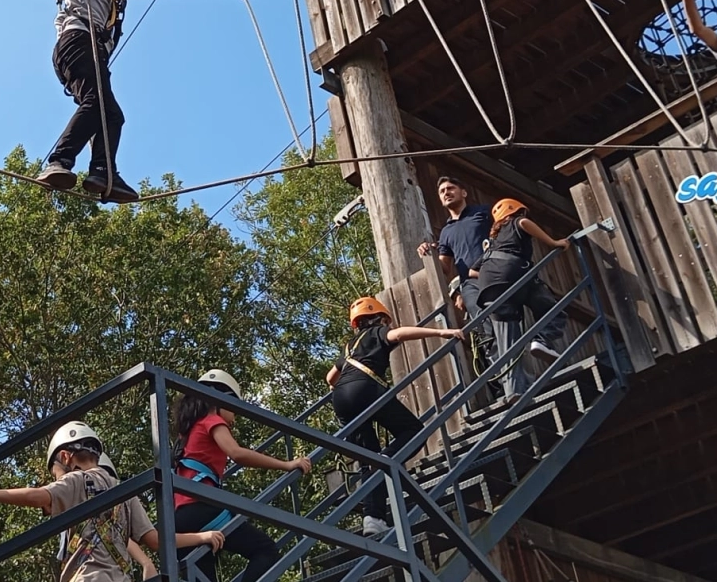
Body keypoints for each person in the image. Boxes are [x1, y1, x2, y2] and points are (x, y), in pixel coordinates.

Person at [0, 421, 224, 582]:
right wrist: (200, 537)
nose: (57, 480)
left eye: (54, 474)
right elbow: (156, 541)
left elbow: (39, 496)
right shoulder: (124, 491)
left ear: (66, 457)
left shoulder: (76, 481)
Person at [326, 297, 464, 539]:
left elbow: (330, 379)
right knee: (414, 430)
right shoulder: (379, 332)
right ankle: (387, 458)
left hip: (341, 398)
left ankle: (374, 518)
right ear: (379, 318)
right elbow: (398, 335)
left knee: (367, 460)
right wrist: (441, 331)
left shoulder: (349, 346)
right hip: (365, 388)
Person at [171, 368, 310, 582]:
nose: (234, 418)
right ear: (220, 399)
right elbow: (236, 453)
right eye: (233, 407)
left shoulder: (186, 434)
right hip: (204, 508)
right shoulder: (211, 420)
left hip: (181, 517)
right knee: (266, 551)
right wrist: (286, 464)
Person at [37, 0, 137, 203]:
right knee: (97, 103)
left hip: (89, 48)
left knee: (112, 115)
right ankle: (60, 160)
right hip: (79, 41)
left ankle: (103, 172)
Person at [475, 198, 570, 400]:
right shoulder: (516, 221)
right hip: (513, 272)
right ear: (517, 211)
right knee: (553, 309)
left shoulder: (493, 241)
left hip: (488, 285)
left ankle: (514, 391)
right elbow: (524, 224)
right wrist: (554, 243)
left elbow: (472, 272)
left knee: (507, 341)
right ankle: (542, 340)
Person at [415, 176, 494, 355]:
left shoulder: (483, 212)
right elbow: (445, 267)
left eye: (450, 188)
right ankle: (496, 361)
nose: (446, 193)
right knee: (482, 321)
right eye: (442, 192)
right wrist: (429, 252)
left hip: (493, 271)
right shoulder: (446, 232)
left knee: (504, 317)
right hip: (470, 283)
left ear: (463, 192)